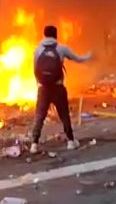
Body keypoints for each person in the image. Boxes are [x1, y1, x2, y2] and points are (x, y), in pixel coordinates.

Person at [30, 25, 92, 154]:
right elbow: (78, 59)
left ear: (44, 35)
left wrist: (40, 85)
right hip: (58, 87)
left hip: (43, 88)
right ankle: (70, 141)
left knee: (40, 116)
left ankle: (34, 144)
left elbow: (35, 69)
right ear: (56, 35)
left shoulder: (37, 49)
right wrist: (89, 56)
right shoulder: (61, 48)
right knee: (64, 114)